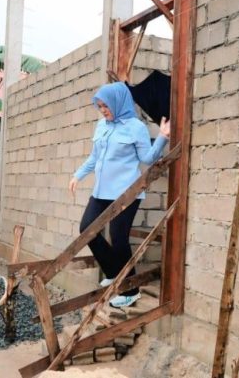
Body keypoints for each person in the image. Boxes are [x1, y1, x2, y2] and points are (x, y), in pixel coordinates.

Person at [69, 82, 170, 308]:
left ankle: (130, 289)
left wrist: (162, 137)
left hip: (126, 193)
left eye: (106, 106)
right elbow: (94, 158)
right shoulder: (101, 125)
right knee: (86, 230)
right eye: (100, 106)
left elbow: (147, 158)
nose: (103, 110)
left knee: (119, 239)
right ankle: (115, 273)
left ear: (118, 102)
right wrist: (78, 175)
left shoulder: (136, 127)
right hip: (101, 191)